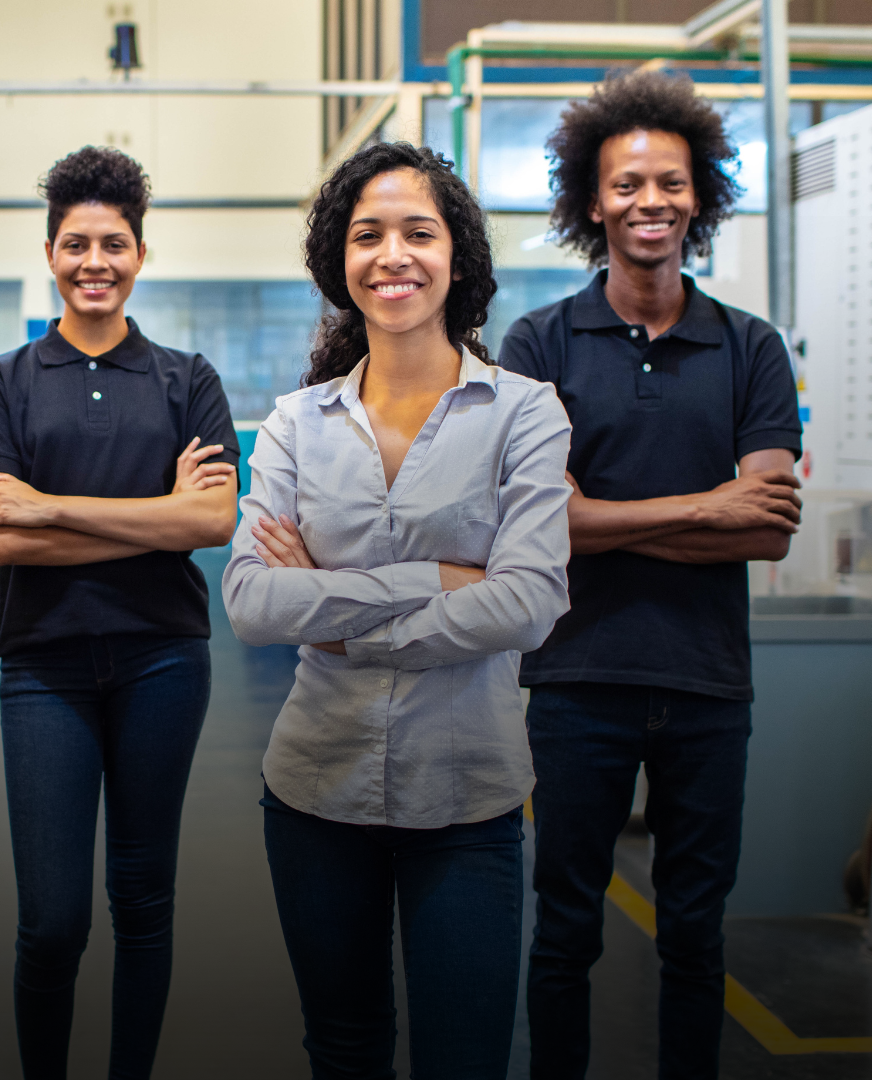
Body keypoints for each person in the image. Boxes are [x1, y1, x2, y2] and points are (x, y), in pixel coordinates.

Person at [222, 141, 572, 1079]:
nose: (393, 256)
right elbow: (253, 602)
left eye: (419, 232)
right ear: (342, 257)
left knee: (464, 1057)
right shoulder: (298, 422)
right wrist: (439, 581)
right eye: (368, 234)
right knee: (342, 1047)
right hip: (313, 788)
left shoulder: (526, 413)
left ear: (458, 256)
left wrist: (330, 615)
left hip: (467, 793)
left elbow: (532, 601)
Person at [496, 70, 804, 1080]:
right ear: (593, 200)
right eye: (627, 184)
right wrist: (706, 505)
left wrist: (605, 521)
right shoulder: (540, 343)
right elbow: (539, 523)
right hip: (577, 682)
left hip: (709, 686)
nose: (650, 203)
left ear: (700, 196)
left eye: (670, 183)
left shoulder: (750, 347)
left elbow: (767, 530)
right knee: (565, 930)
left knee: (695, 935)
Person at [0, 146, 239, 1079]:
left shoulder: (184, 377)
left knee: (143, 902)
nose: (95, 262)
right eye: (76, 244)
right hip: (43, 666)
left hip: (165, 660)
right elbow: (3, 542)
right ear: (50, 254)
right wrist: (152, 521)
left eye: (114, 244)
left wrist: (51, 504)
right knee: (53, 920)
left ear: (141, 255)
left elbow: (213, 517)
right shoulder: (0, 381)